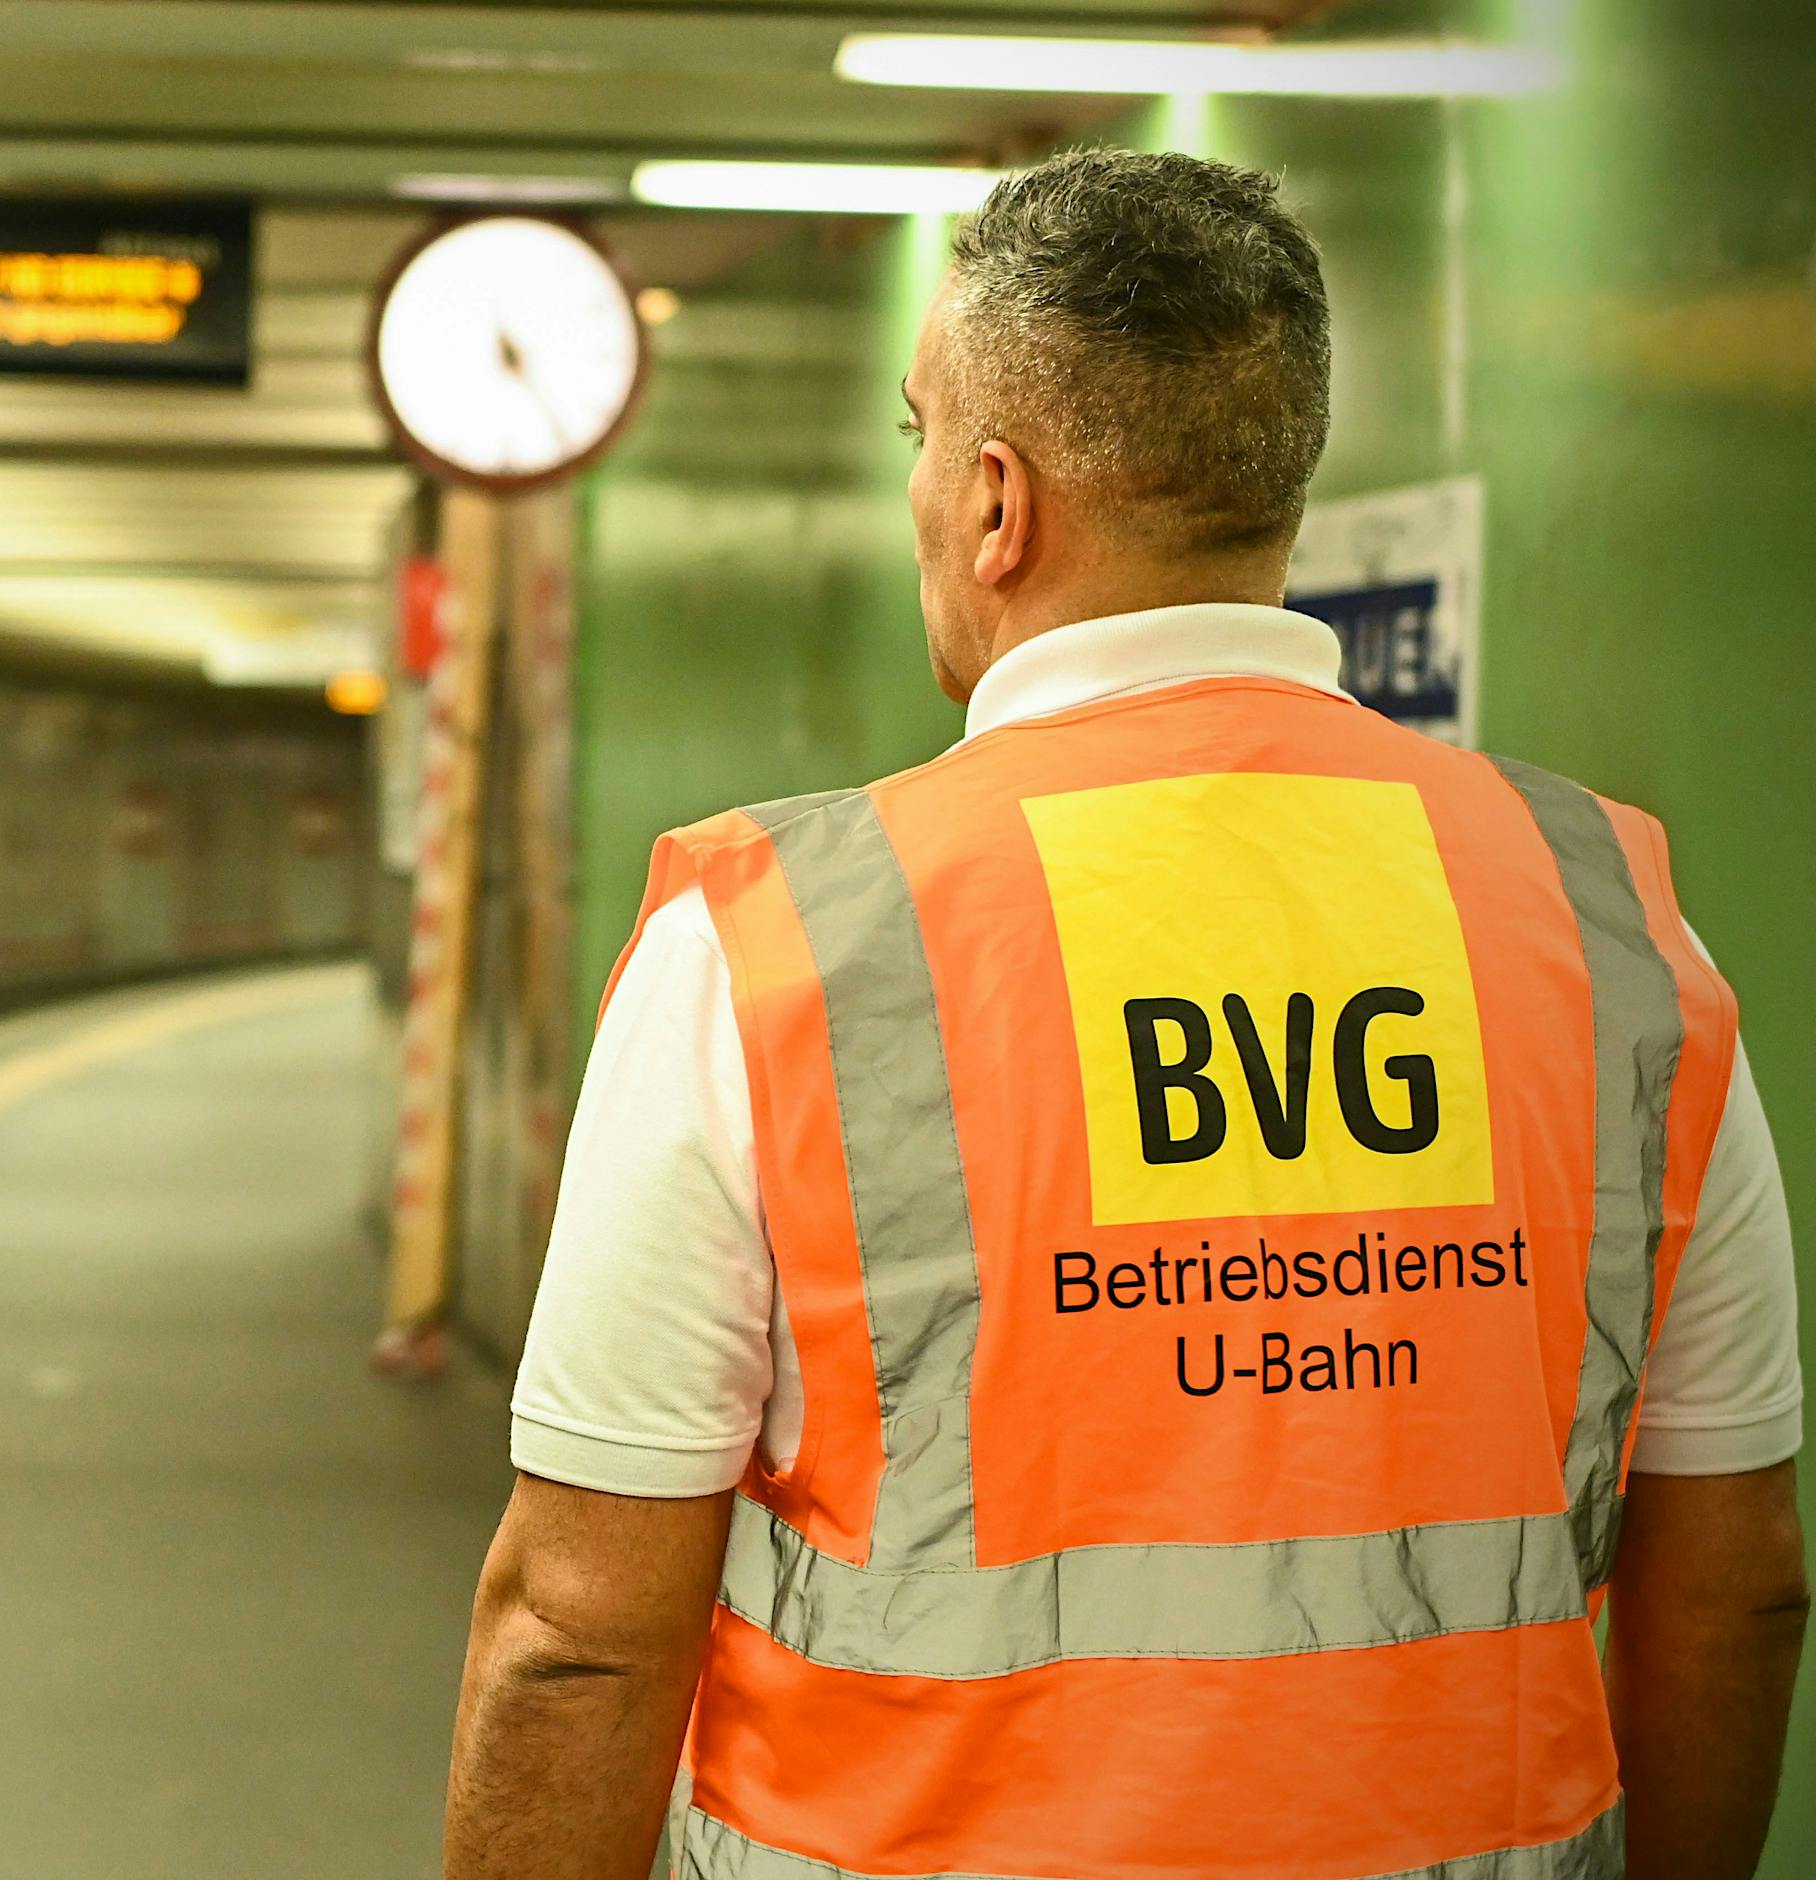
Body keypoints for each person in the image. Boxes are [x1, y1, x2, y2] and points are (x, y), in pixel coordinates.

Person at [443, 148, 1807, 1879]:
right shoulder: (1612, 924)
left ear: (998, 502)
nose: (923, 486)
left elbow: (575, 1631)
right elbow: (1741, 1576)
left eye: (918, 436)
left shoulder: (773, 946)